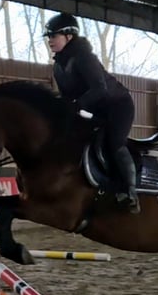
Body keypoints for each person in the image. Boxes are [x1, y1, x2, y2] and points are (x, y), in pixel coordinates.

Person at [43, 12, 140, 214]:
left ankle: (130, 192)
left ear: (69, 37)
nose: (50, 40)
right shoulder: (58, 67)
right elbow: (67, 98)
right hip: (92, 109)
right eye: (48, 36)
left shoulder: (84, 57)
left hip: (117, 106)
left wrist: (77, 105)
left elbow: (100, 88)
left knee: (114, 142)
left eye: (54, 35)